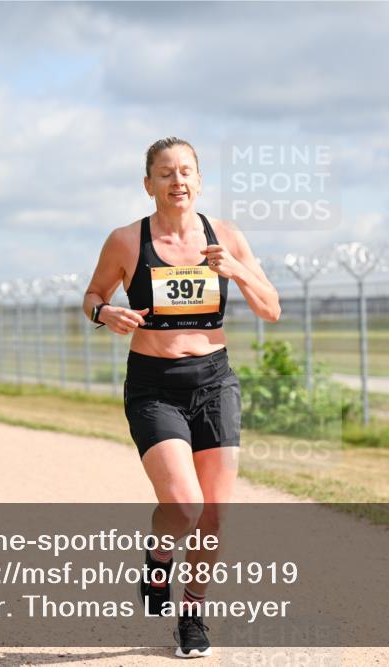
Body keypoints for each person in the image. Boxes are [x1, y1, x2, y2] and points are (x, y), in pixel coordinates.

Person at [83, 137, 280, 658]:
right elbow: (93, 296)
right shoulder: (127, 240)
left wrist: (235, 270)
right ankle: (157, 557)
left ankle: (191, 614)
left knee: (213, 515)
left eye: (186, 171)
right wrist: (107, 314)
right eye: (166, 173)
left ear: (199, 179)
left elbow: (271, 308)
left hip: (215, 383)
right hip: (154, 388)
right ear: (148, 184)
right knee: (185, 504)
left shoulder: (226, 236)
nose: (178, 181)